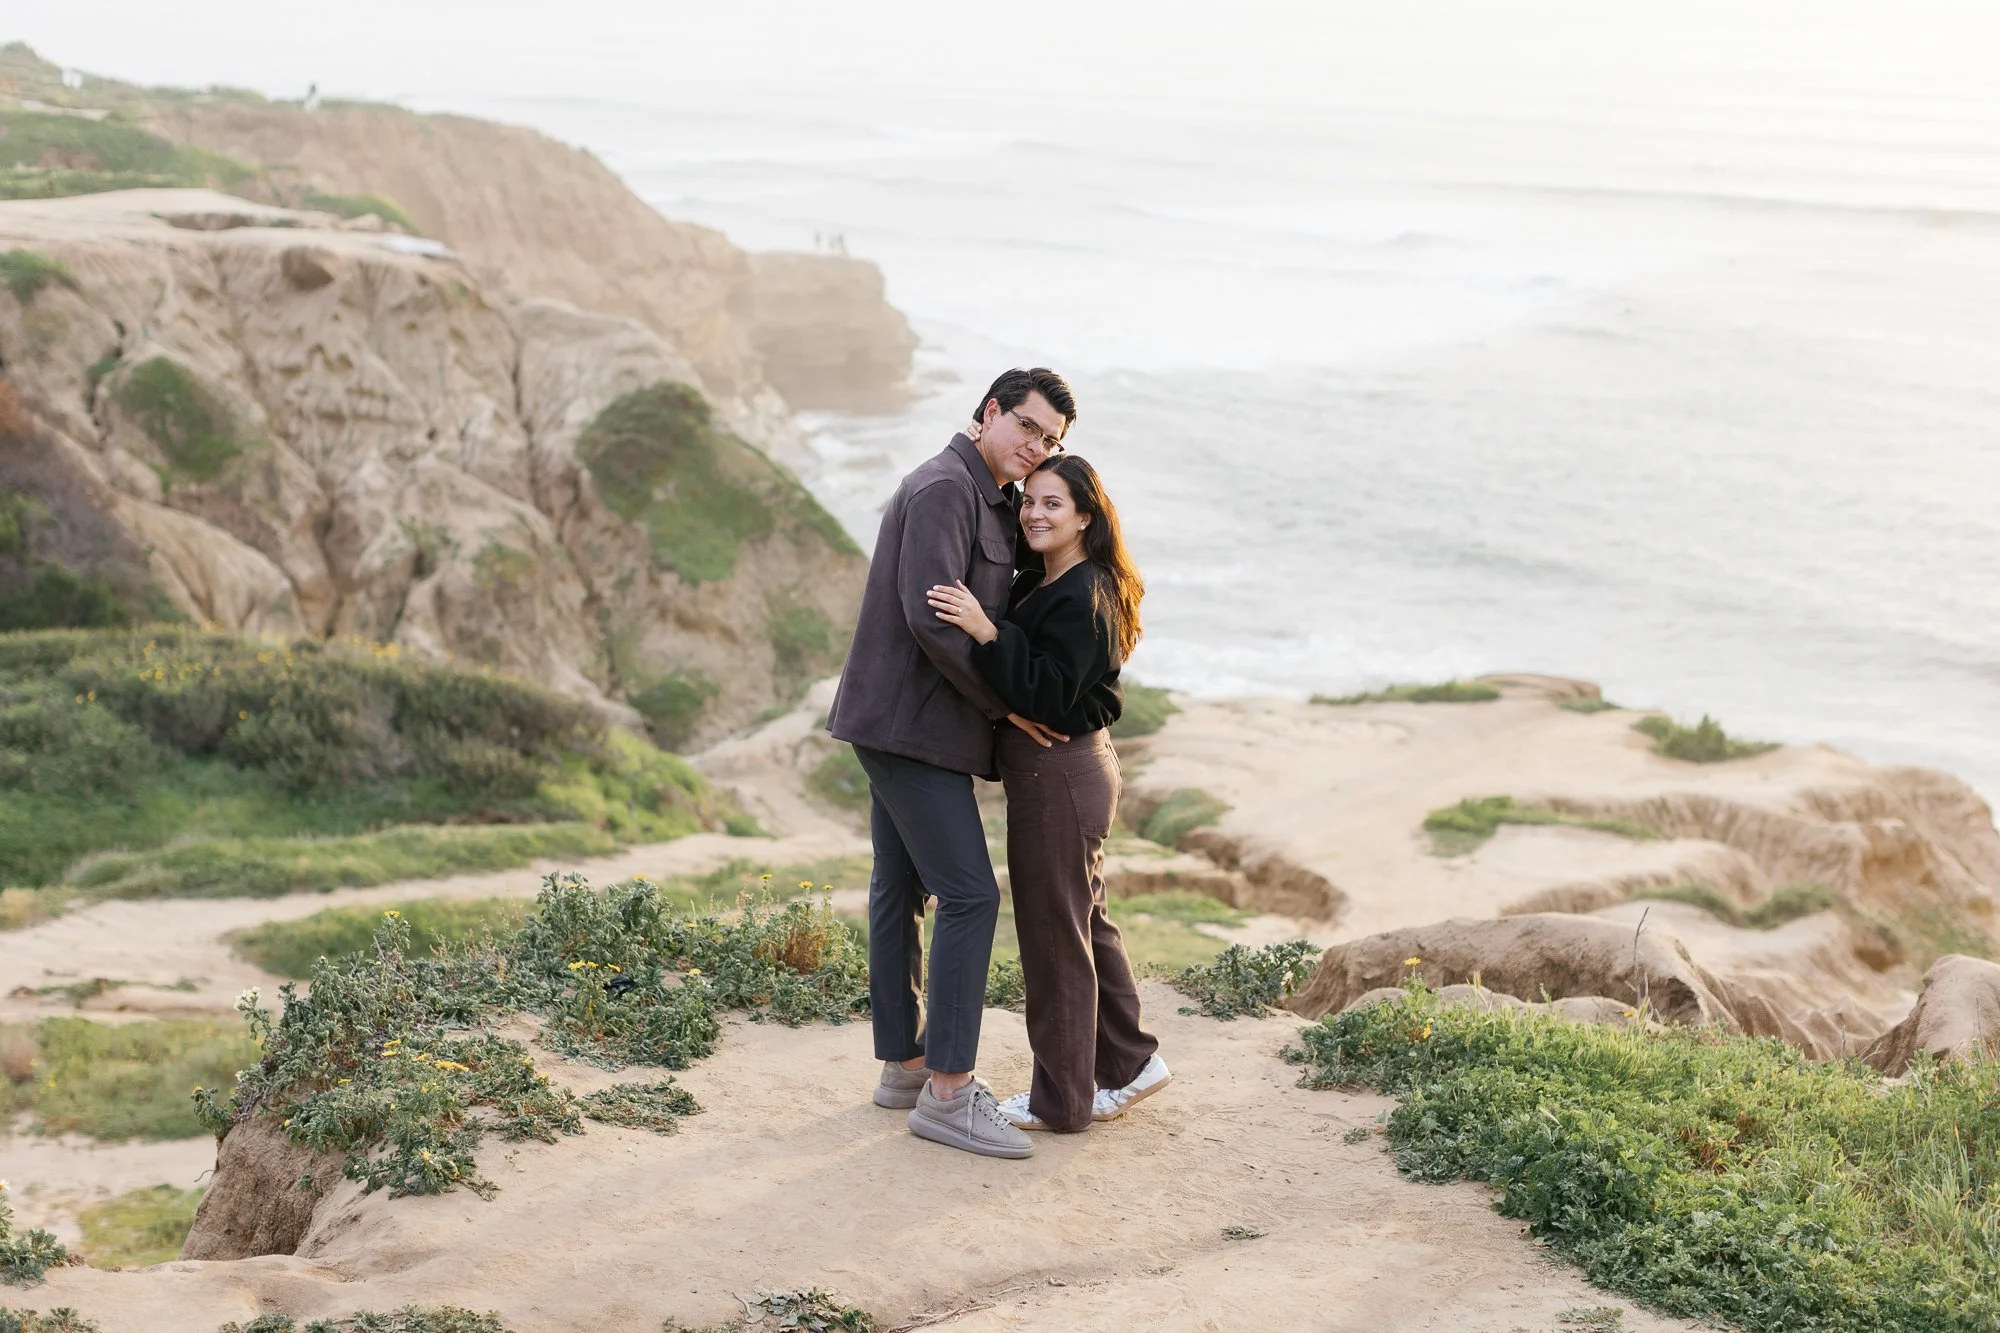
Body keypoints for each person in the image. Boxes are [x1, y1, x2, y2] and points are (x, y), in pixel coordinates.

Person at [827, 367, 1076, 1160]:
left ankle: (904, 1068)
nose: (1037, 448)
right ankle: (948, 1092)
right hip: (912, 728)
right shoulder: (944, 487)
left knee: (898, 889)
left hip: (906, 724)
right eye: (1030, 428)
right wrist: (1008, 708)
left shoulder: (986, 495)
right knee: (970, 894)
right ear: (990, 411)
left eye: (1053, 442)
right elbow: (932, 621)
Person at [927, 454, 1169, 1134]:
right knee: (1082, 922)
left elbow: (1047, 693)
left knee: (1054, 937)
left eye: (1052, 503)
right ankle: (1128, 1061)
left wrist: (984, 630)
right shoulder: (1054, 579)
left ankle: (1061, 1100)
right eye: (1029, 499)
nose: (1034, 512)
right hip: (1066, 771)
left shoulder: (1084, 591)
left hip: (1058, 774)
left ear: (1084, 517)